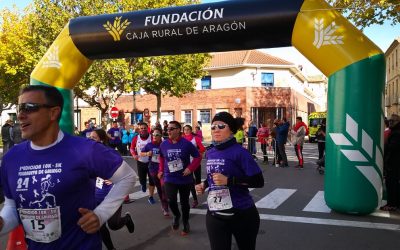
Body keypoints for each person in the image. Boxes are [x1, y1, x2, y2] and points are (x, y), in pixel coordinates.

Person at [0, 85, 135, 249]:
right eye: (19, 108)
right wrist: (2, 222)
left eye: (29, 108)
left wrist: (101, 214)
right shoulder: (11, 158)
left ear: (53, 113)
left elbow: (127, 177)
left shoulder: (85, 149)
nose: (20, 116)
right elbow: (12, 207)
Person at [195, 112, 264, 250]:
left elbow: (258, 181)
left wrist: (230, 180)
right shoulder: (211, 152)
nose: (216, 130)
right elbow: (214, 175)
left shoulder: (240, 153)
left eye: (221, 126)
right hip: (215, 213)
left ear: (231, 129)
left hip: (242, 214)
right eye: (213, 127)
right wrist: (205, 184)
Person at [89, 129, 135, 250]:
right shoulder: (89, 154)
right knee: (100, 225)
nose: (90, 140)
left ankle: (127, 219)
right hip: (96, 194)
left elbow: (125, 173)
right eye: (90, 137)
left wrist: (114, 178)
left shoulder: (110, 153)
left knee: (114, 225)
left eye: (94, 138)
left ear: (102, 140)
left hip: (112, 193)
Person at [157, 121, 201, 236]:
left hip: (184, 178)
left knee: (184, 202)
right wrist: (161, 169)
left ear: (178, 130)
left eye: (171, 129)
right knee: (170, 200)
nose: (169, 131)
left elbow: (198, 156)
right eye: (168, 129)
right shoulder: (164, 144)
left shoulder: (186, 144)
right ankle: (177, 215)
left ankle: (186, 223)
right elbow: (161, 157)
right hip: (170, 177)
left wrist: (190, 169)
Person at [140, 127, 170, 216]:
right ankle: (164, 205)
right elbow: (141, 153)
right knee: (159, 188)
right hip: (153, 169)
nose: (154, 136)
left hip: (164, 169)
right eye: (153, 134)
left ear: (161, 136)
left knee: (164, 188)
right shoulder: (149, 145)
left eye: (157, 135)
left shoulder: (165, 144)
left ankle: (165, 206)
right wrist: (147, 153)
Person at [130, 122, 156, 204]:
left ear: (147, 128)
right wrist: (134, 155)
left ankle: (151, 196)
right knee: (142, 179)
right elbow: (131, 148)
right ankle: (143, 184)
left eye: (145, 128)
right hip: (140, 161)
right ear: (139, 129)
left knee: (152, 180)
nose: (143, 129)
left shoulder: (152, 137)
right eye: (142, 128)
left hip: (151, 162)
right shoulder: (136, 138)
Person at [182, 125, 206, 208]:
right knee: (190, 182)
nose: (186, 131)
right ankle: (195, 200)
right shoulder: (182, 139)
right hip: (187, 164)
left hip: (196, 162)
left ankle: (200, 188)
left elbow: (203, 149)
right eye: (185, 130)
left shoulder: (195, 138)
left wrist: (196, 151)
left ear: (191, 130)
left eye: (188, 129)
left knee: (198, 181)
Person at [381, 114, 400, 211]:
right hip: (394, 163)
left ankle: (392, 204)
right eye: (390, 120)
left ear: (397, 122)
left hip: (394, 163)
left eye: (393, 121)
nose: (390, 122)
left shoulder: (396, 133)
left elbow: (392, 147)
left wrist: (384, 145)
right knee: (393, 183)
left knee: (391, 184)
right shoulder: (394, 131)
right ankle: (394, 204)